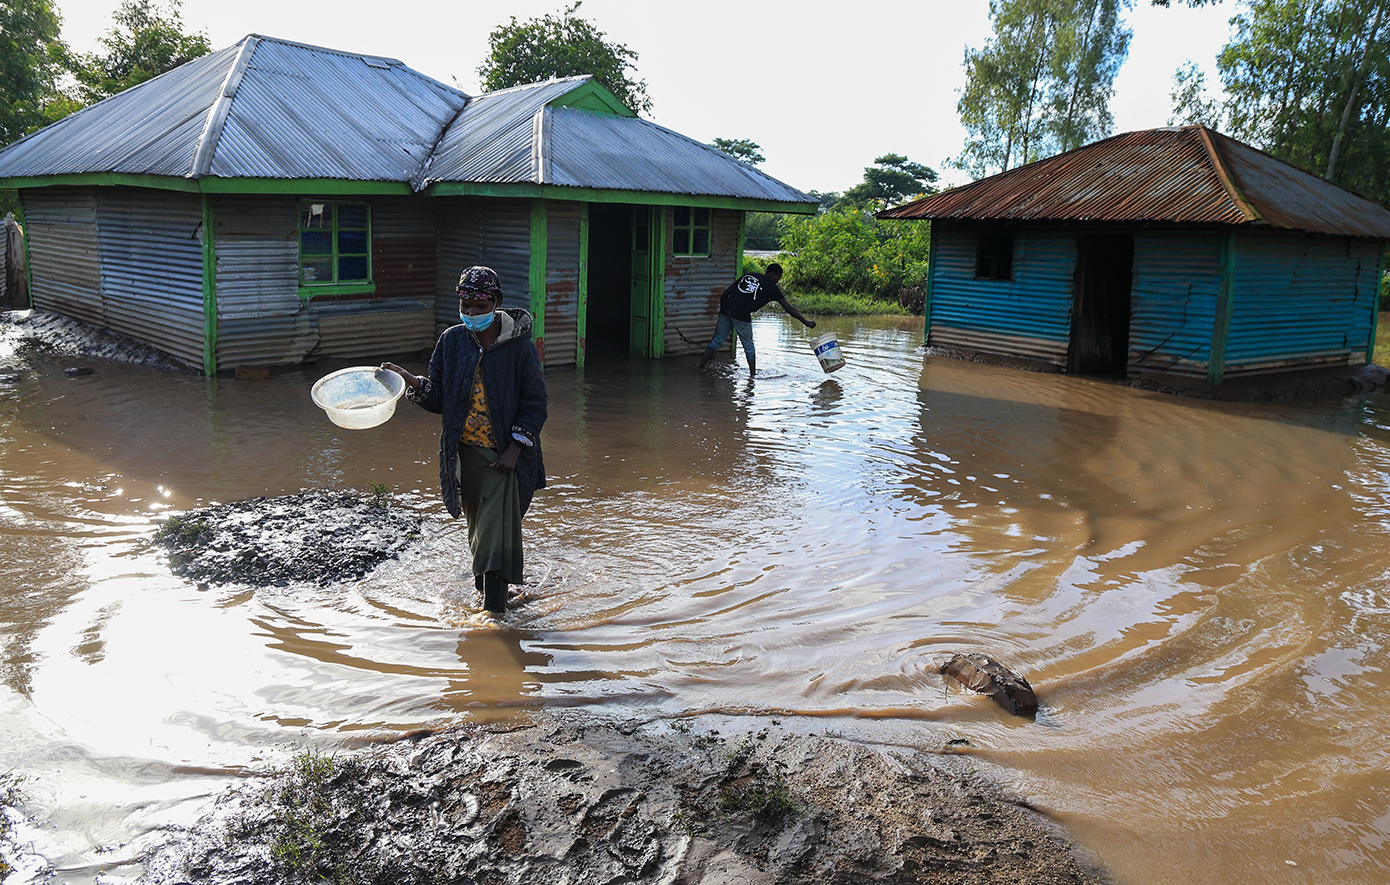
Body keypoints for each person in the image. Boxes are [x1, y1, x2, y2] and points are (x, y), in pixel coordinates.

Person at [381, 266, 547, 615]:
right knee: (480, 533)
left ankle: (494, 616)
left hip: (504, 455)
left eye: (478, 305)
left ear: (496, 303)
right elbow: (440, 400)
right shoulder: (452, 341)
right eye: (465, 305)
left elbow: (535, 405)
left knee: (495, 534)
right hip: (465, 454)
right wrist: (411, 381)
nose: (470, 312)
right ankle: (491, 600)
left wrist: (515, 450)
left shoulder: (520, 349)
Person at [697, 262, 816, 376]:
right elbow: (789, 308)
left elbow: (725, 294)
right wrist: (805, 322)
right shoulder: (771, 287)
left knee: (717, 341)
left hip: (727, 309)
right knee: (748, 346)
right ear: (772, 274)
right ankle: (752, 377)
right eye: (778, 278)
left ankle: (700, 368)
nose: (777, 281)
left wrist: (723, 312)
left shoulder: (749, 276)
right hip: (741, 314)